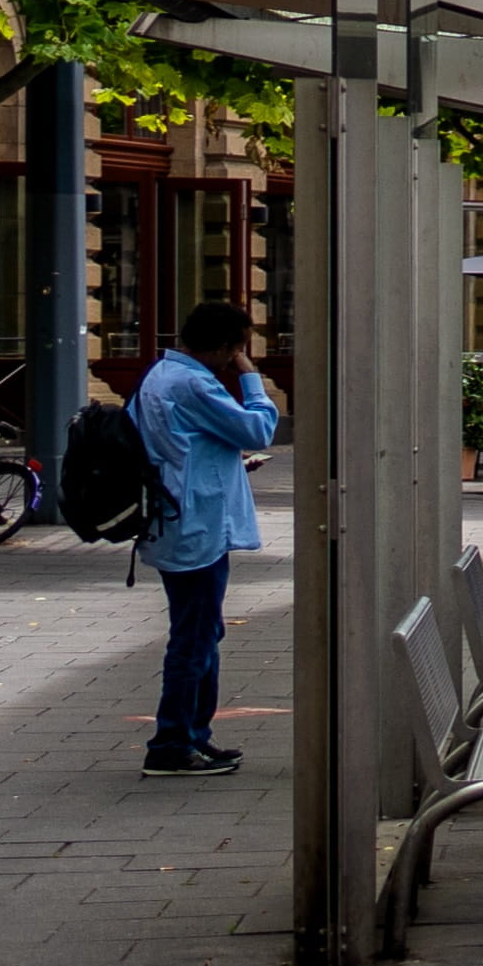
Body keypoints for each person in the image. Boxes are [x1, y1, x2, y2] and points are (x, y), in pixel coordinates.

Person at [132, 299, 280, 777]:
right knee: (194, 638)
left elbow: (180, 446)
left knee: (202, 632)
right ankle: (172, 742)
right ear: (222, 347)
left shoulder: (159, 376)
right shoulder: (193, 382)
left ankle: (195, 734)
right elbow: (259, 427)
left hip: (177, 518)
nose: (237, 357)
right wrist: (251, 376)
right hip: (196, 527)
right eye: (237, 349)